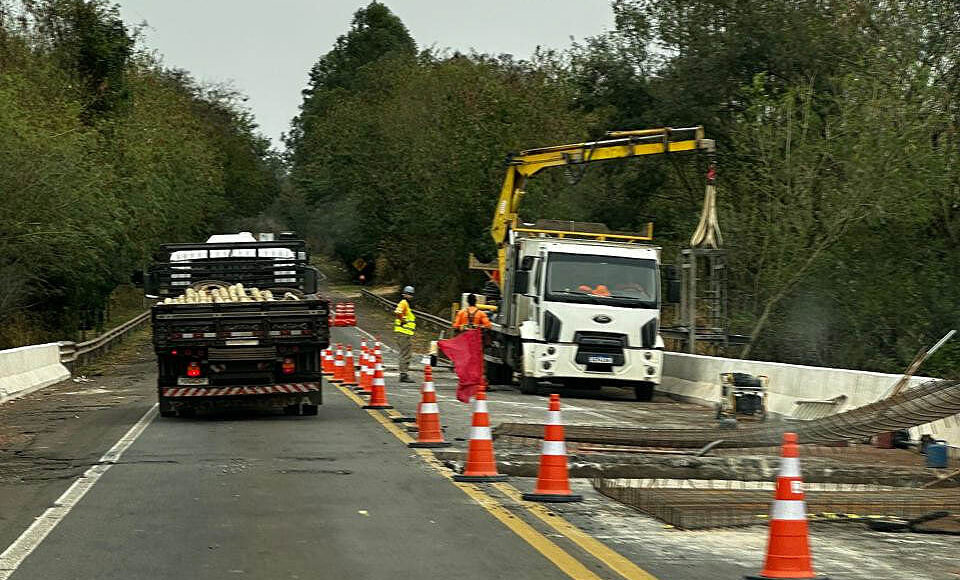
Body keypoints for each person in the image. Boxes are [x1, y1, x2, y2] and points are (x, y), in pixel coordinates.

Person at [394, 285, 417, 383]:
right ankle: (403, 374)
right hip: (403, 333)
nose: (410, 296)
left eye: (411, 294)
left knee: (406, 353)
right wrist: (403, 320)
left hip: (405, 333)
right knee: (405, 354)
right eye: (409, 294)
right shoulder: (403, 303)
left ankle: (404, 373)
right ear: (405, 294)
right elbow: (398, 312)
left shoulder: (406, 304)